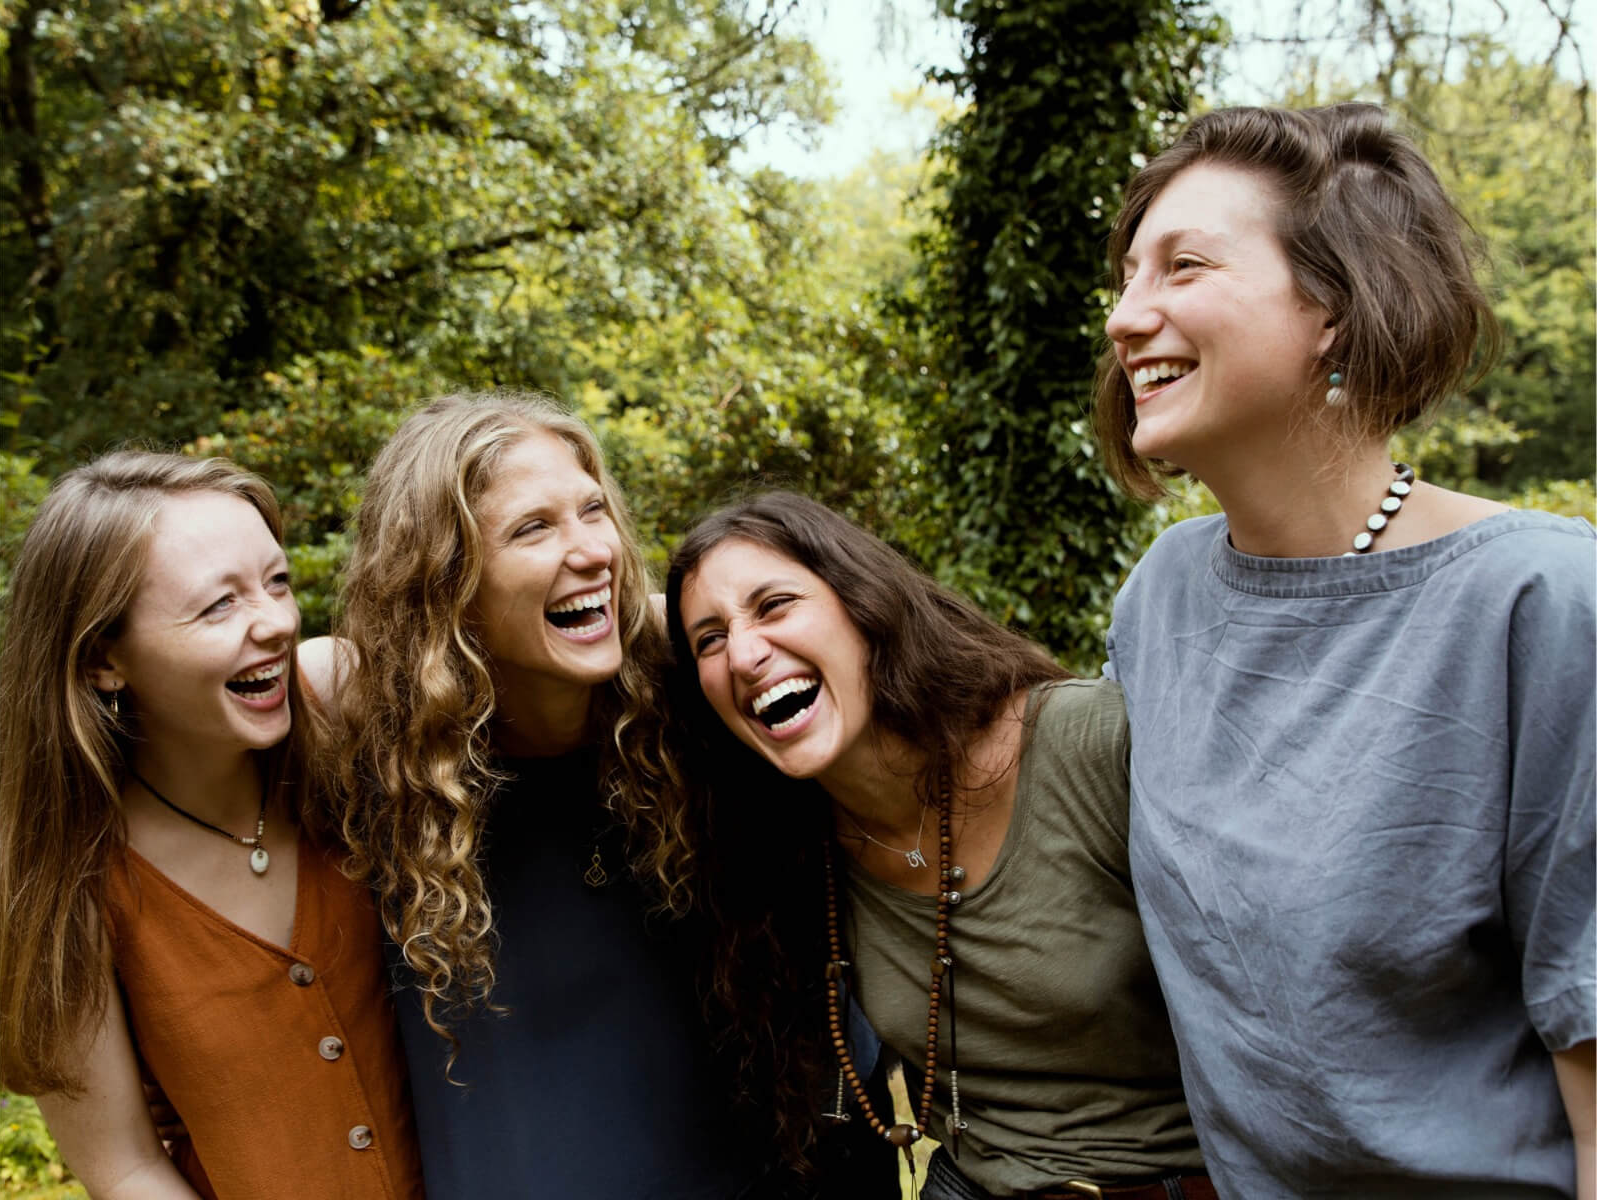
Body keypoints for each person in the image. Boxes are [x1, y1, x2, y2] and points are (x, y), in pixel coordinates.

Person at [1095, 102, 1596, 1199]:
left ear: (1331, 303)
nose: (1128, 317)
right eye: (1126, 278)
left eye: (1183, 267)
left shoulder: (1543, 603)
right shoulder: (1161, 599)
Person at [299, 392, 888, 1199]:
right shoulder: (374, 748)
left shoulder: (691, 687)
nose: (592, 551)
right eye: (533, 529)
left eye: (593, 510)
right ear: (445, 583)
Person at [663, 490, 1210, 1200]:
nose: (743, 653)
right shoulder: (797, 847)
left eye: (774, 605)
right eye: (709, 638)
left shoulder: (1083, 744)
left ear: (862, 603)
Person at [0, 450, 422, 1199]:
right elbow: (123, 1167)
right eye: (218, 605)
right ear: (103, 657)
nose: (277, 624)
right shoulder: (62, 880)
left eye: (278, 582)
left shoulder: (345, 706)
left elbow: (529, 655)